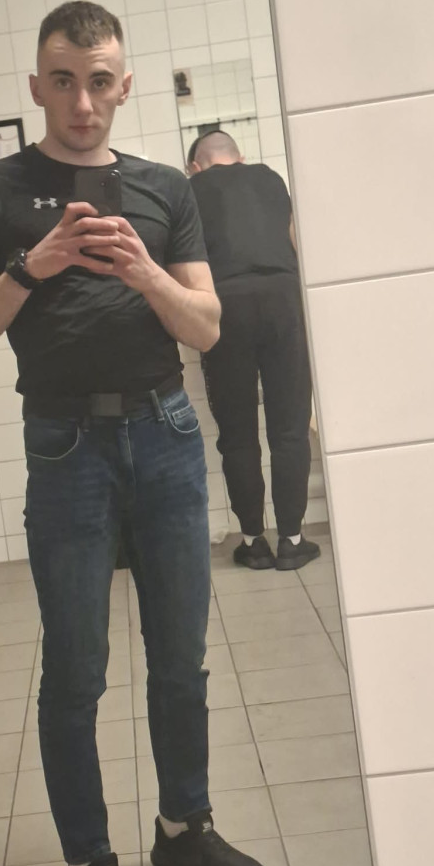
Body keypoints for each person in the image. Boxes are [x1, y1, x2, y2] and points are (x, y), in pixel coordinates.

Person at [0, 3, 270, 866]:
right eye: (63, 81)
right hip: (65, 447)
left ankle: (184, 829)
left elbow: (205, 326)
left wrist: (146, 274)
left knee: (181, 656)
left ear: (124, 86)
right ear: (37, 86)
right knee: (77, 669)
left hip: (165, 432)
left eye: (99, 81)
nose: (82, 103)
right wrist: (30, 269)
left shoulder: (165, 189)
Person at [188, 130, 319, 572]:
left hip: (226, 305)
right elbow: (295, 241)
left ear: (195, 166)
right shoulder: (270, 178)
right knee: (290, 428)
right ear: (239, 158)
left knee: (238, 433)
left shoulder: (191, 189)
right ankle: (292, 541)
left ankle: (253, 542)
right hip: (283, 298)